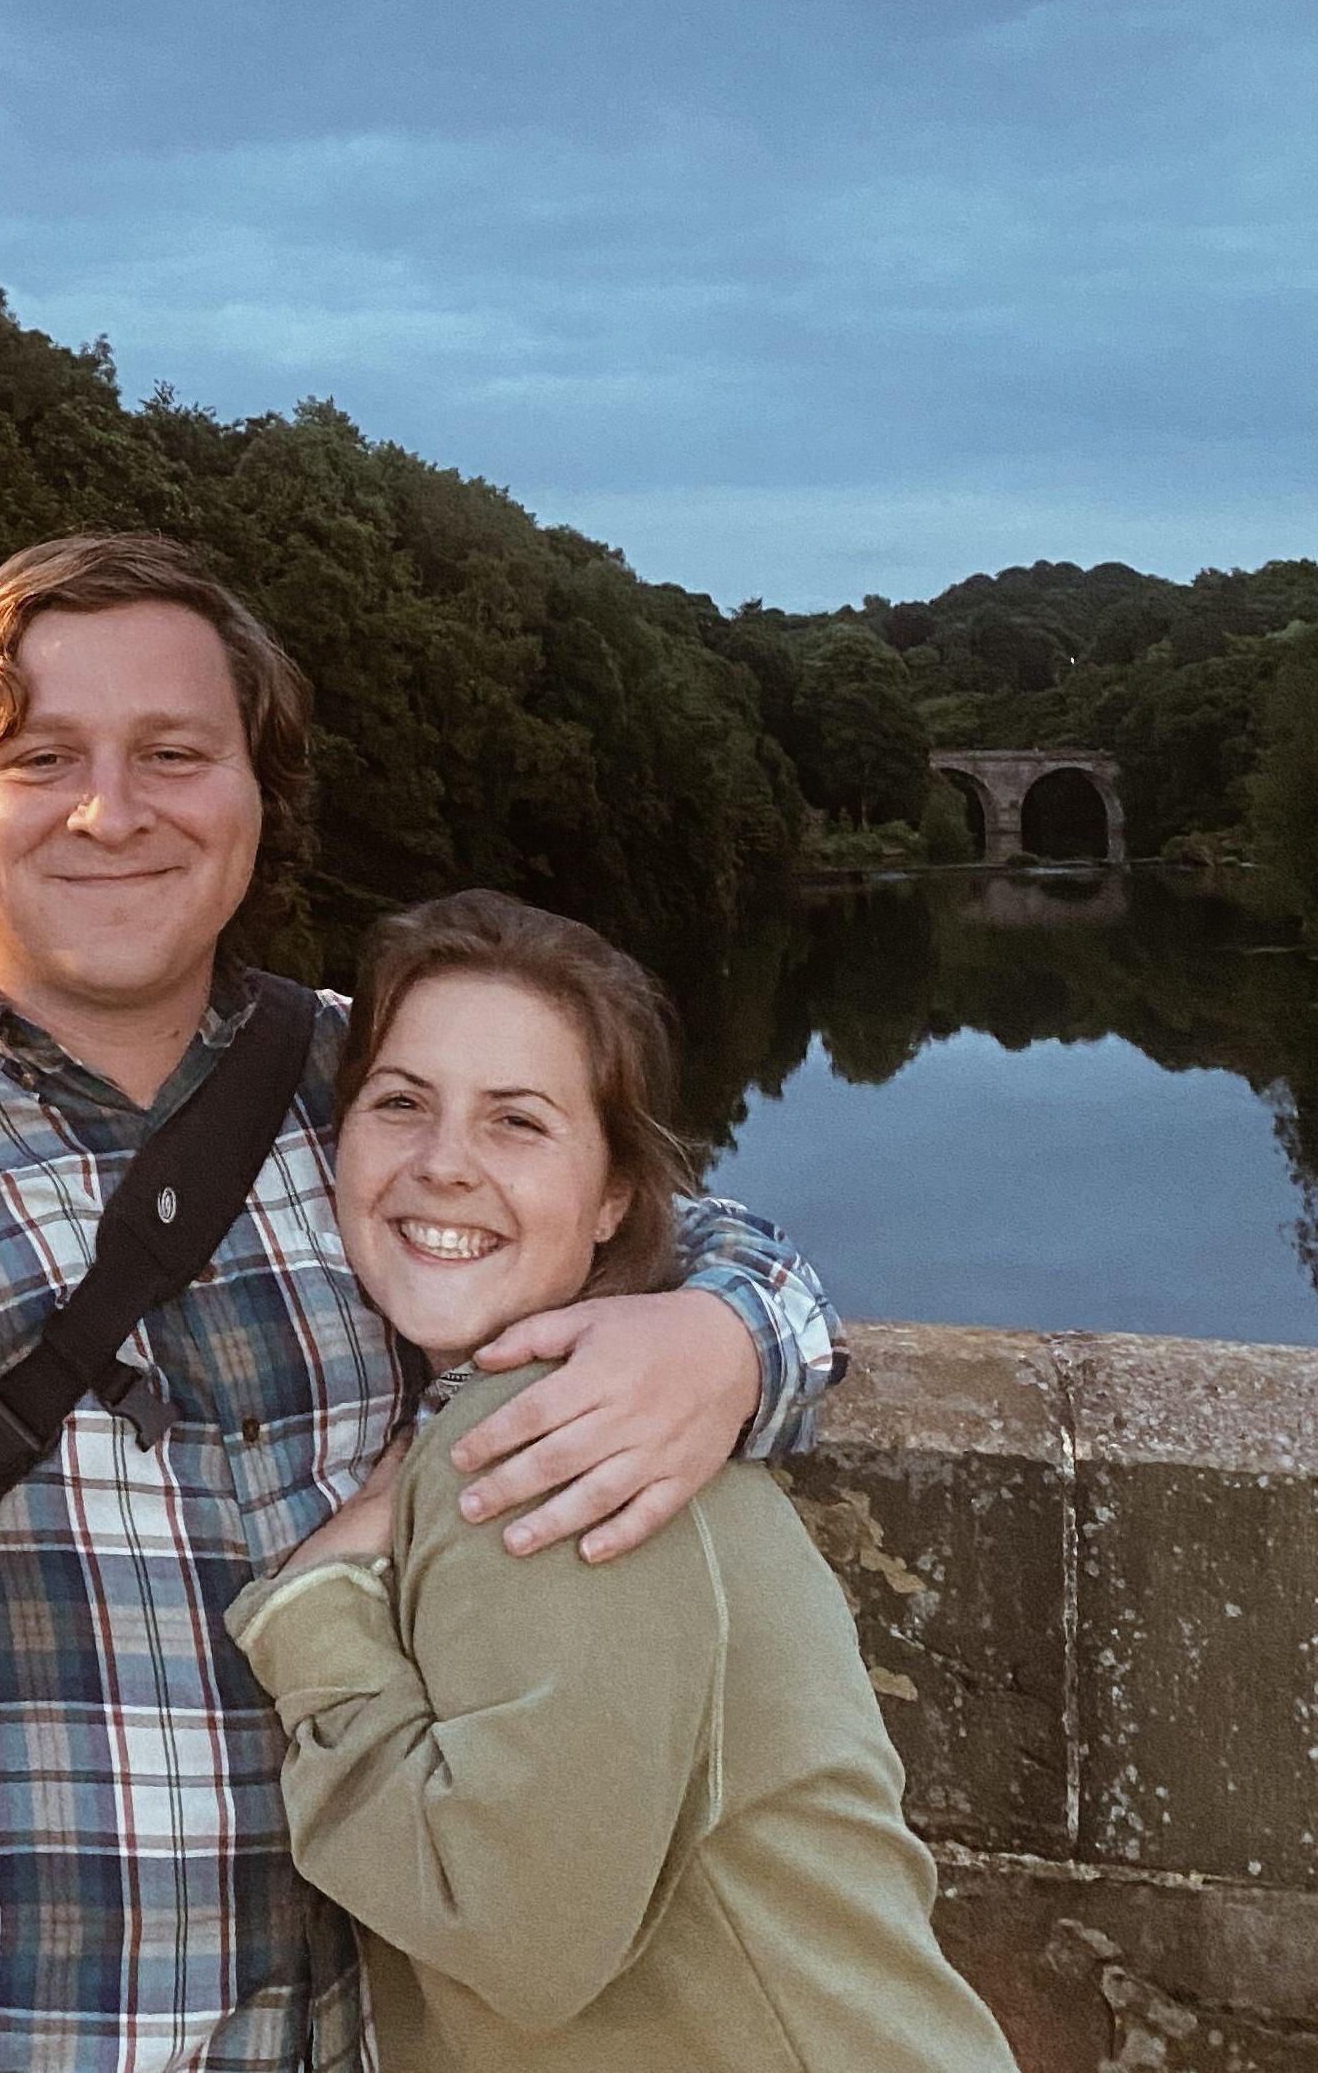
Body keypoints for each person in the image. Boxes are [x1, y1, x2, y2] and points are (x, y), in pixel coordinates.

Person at [0, 533, 846, 2073]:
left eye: (173, 752)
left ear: (255, 795)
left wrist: (728, 1338)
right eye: (40, 758)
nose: (111, 810)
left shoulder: (377, 1092)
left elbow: (690, 1230)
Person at [227, 888, 1015, 2072]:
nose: (443, 1164)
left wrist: (317, 1615)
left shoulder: (562, 1445)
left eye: (516, 1122)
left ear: (613, 1199)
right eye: (399, 1104)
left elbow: (517, 1940)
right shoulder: (553, 1398)